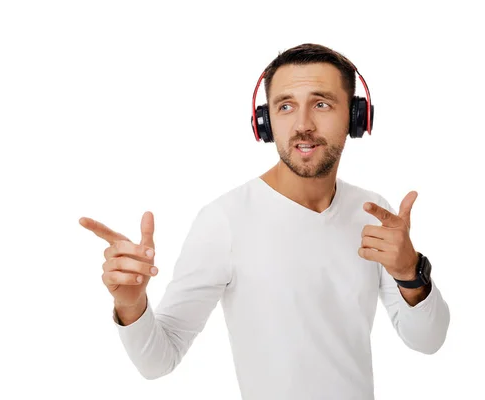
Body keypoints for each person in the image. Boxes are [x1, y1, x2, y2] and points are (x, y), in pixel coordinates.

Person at [79, 43, 450, 399]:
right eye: (286, 106)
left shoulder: (372, 211)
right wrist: (131, 306)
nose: (303, 124)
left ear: (356, 117)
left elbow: (428, 341)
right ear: (265, 122)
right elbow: (157, 361)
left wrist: (409, 272)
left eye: (321, 103)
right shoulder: (224, 221)